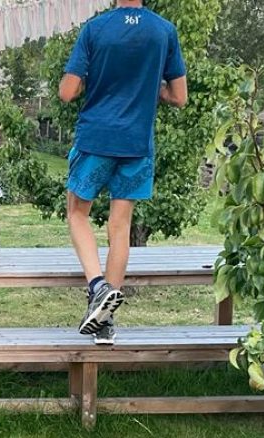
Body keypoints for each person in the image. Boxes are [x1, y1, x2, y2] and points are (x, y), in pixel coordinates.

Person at [58, 0, 188, 345]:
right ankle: (104, 322)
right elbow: (179, 96)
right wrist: (151, 90)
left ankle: (98, 287)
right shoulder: (164, 31)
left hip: (96, 139)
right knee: (121, 227)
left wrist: (91, 82)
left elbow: (67, 92)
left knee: (77, 213)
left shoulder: (95, 29)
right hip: (137, 143)